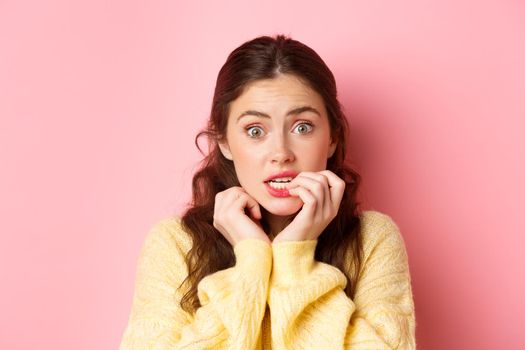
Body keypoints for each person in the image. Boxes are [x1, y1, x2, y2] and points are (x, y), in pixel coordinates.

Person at [119, 34, 416, 349]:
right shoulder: (175, 245)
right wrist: (251, 260)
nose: (281, 153)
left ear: (332, 138)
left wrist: (294, 256)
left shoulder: (372, 240)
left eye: (302, 127)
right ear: (224, 142)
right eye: (255, 131)